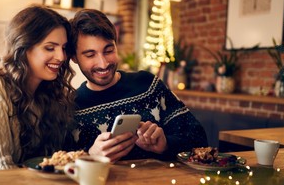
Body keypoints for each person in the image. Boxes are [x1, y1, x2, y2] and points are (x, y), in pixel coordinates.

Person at [68, 9, 208, 162]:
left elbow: (199, 140)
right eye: (90, 55)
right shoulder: (71, 107)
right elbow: (58, 166)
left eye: (108, 51)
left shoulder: (149, 86)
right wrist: (90, 157)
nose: (103, 64)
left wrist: (166, 144)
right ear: (74, 57)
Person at [0, 4, 76, 172]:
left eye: (64, 48)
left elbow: (56, 161)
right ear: (24, 48)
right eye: (50, 48)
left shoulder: (52, 93)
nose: (61, 57)